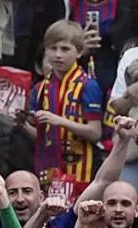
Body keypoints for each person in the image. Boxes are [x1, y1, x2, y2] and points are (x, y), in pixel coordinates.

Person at [24, 20, 104, 195]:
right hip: (48, 172)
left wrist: (61, 121)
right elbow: (41, 136)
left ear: (79, 52)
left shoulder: (88, 85)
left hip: (81, 172)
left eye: (65, 49)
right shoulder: (40, 88)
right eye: (52, 48)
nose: (58, 55)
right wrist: (22, 124)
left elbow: (95, 132)